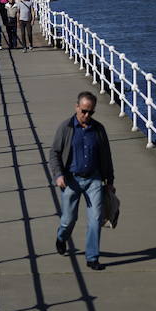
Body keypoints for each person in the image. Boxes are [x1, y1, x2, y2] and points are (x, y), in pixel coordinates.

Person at [49, 91, 115, 271]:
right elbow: (54, 153)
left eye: (91, 112)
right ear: (76, 107)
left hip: (94, 179)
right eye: (84, 111)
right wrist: (58, 175)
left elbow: (106, 156)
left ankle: (92, 257)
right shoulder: (66, 128)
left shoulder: (99, 129)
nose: (87, 115)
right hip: (71, 180)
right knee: (68, 219)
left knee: (95, 219)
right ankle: (62, 237)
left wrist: (109, 180)